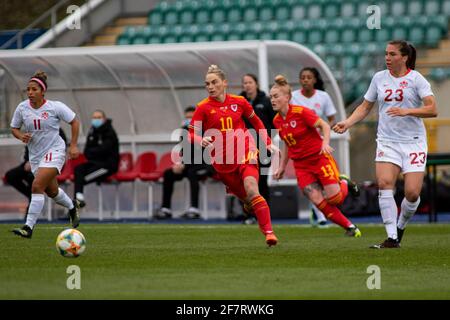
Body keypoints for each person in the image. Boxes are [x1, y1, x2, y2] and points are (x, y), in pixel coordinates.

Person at [333, 40, 437, 248]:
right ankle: (391, 238)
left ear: (405, 57)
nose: (387, 58)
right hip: (387, 141)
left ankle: (400, 227)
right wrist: (347, 123)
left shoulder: (417, 79)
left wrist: (407, 111)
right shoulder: (379, 78)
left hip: (414, 143)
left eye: (392, 54)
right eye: (386, 54)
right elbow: (364, 107)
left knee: (412, 193)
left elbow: (432, 109)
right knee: (384, 183)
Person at [189, 65, 279, 246]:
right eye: (207, 84)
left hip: (246, 151)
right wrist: (201, 140)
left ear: (224, 83)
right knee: (248, 199)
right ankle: (249, 205)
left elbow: (257, 122)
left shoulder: (239, 102)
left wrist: (267, 142)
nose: (210, 87)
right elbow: (191, 134)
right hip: (223, 163)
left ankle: (269, 233)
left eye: (214, 82)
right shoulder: (202, 108)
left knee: (253, 188)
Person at [271, 74, 361, 238]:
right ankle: (350, 227)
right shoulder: (277, 120)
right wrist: (282, 167)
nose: (272, 100)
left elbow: (324, 125)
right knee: (318, 202)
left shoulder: (301, 112)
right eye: (271, 96)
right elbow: (287, 143)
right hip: (301, 166)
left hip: (318, 158)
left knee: (335, 199)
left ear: (287, 97)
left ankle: (344, 183)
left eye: (276, 96)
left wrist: (325, 143)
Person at [10, 70, 81, 238]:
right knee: (52, 192)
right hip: (36, 156)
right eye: (28, 89)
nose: (30, 93)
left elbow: (74, 121)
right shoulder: (22, 108)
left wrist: (73, 145)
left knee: (36, 186)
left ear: (43, 91)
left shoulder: (55, 107)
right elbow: (14, 128)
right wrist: (21, 136)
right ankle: (72, 206)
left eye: (34, 89)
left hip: (55, 151)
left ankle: (28, 227)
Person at [291, 67, 342, 228]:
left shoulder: (323, 96)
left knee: (322, 181)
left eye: (309, 77)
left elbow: (332, 118)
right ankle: (319, 215)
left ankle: (319, 213)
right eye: (303, 77)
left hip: (320, 143)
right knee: (310, 181)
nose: (305, 80)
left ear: (314, 80)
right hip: (301, 145)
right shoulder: (293, 97)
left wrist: (323, 129)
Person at [155, 106, 215, 220]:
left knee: (192, 173)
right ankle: (165, 208)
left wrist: (184, 164)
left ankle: (194, 209)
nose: (189, 120)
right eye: (187, 118)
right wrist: (179, 163)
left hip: (207, 164)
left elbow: (200, 153)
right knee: (168, 173)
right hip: (190, 164)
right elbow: (184, 151)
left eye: (191, 117)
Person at [239, 73, 276, 224]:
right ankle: (249, 215)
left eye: (250, 82)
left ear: (256, 84)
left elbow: (275, 122)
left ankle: (263, 215)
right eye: (244, 83)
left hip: (263, 147)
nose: (247, 85)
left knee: (262, 181)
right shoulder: (239, 102)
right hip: (244, 148)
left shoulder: (266, 101)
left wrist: (268, 140)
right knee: (246, 182)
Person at [4, 129, 67, 216]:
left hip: (49, 164)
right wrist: (28, 161)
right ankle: (33, 197)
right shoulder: (33, 128)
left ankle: (31, 212)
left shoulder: (57, 130)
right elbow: (28, 147)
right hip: (31, 162)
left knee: (33, 178)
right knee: (11, 175)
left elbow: (60, 152)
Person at [73, 110, 119, 208]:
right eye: (94, 117)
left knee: (81, 180)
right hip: (94, 163)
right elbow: (86, 151)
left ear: (104, 119)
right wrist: (96, 150)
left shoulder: (109, 132)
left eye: (99, 117)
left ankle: (75, 208)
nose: (96, 120)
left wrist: (94, 151)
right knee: (78, 169)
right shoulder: (92, 131)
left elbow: (105, 150)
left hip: (107, 165)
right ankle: (79, 198)